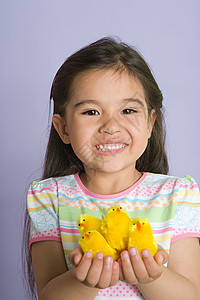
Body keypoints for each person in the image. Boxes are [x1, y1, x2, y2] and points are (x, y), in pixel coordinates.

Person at [25, 37, 200, 300]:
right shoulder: (49, 198)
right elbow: (49, 295)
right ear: (63, 129)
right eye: (91, 112)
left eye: (128, 110)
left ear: (150, 123)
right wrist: (83, 280)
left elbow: (191, 295)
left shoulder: (178, 195)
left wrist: (152, 277)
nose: (111, 126)